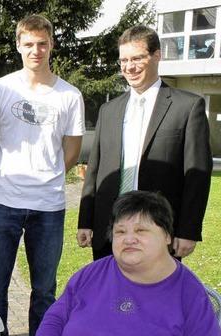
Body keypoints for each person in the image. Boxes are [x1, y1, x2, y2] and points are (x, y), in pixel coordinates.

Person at [32, 191, 221, 336]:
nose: (129, 239)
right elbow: (53, 322)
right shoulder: (91, 275)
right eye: (121, 232)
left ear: (167, 236)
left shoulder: (190, 295)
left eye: (141, 231)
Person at [0, 15, 84, 336]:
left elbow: (73, 152)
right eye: (29, 44)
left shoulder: (69, 96)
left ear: (51, 45)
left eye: (42, 43)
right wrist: (4, 179)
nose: (35, 50)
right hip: (2, 205)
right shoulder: (0, 89)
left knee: (44, 292)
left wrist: (47, 179)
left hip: (48, 208)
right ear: (18, 46)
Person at [77, 26, 212, 261]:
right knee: (109, 296)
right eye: (124, 60)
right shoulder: (108, 110)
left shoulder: (188, 107)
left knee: (155, 297)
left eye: (137, 58)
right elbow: (95, 170)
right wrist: (85, 221)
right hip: (110, 229)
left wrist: (187, 230)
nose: (129, 67)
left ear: (156, 56)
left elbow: (197, 175)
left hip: (158, 229)